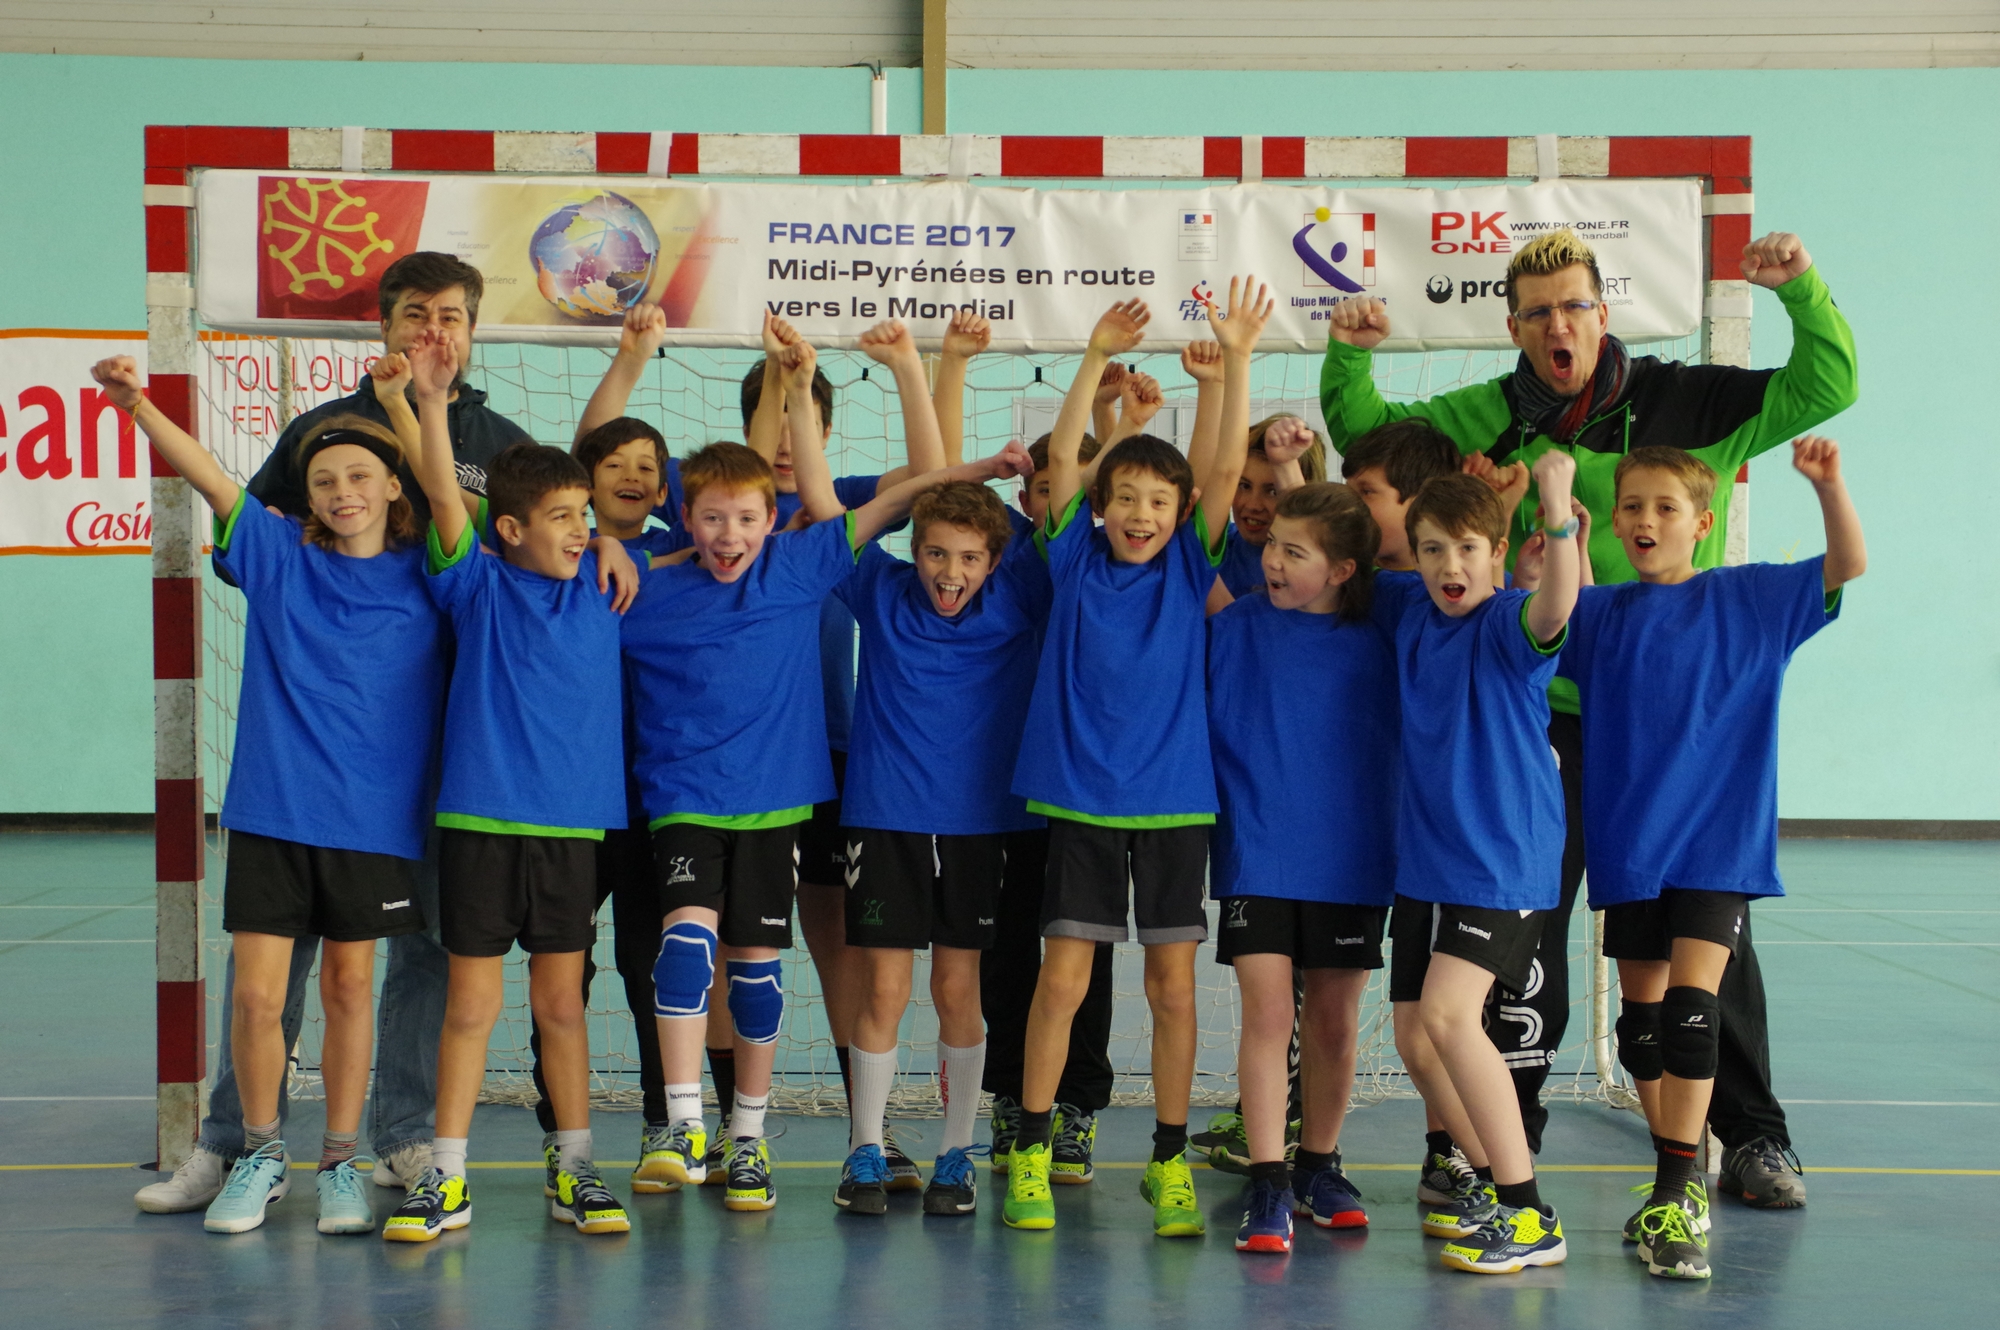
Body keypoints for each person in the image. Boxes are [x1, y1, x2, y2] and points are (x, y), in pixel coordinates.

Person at [1323, 226, 1858, 1200]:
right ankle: (1498, 1142)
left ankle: (1750, 1134)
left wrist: (1800, 288)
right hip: (1543, 715)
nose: (1556, 325)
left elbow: (1824, 387)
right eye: (1536, 313)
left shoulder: (1687, 401)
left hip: (1667, 727)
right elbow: (1369, 438)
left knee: (1708, 932)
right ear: (1513, 327)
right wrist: (1347, 353)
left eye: (1573, 306)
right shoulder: (1485, 414)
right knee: (1520, 925)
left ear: (1602, 313)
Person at [134, 252, 633, 1215]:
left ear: (473, 328)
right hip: (318, 753)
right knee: (269, 971)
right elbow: (253, 530)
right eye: (415, 314)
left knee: (421, 962)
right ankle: (236, 1141)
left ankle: (400, 1140)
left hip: (453, 759)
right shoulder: (322, 434)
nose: (432, 331)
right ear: (386, 326)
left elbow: (553, 513)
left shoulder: (502, 440)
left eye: (450, 315)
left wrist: (604, 534)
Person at [619, 331, 1001, 1214]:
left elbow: (931, 484)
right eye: (780, 422)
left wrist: (921, 369)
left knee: (834, 945)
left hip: (830, 758)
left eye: (808, 423)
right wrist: (779, 386)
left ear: (823, 430)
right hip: (714, 770)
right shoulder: (720, 522)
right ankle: (720, 1126)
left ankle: (869, 1131)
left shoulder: (828, 519)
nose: (791, 443)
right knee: (713, 945)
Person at [96, 354, 448, 1237]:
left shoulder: (429, 572)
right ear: (308, 496)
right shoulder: (279, 554)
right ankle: (258, 1154)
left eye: (360, 475)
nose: (343, 491)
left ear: (392, 485)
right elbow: (211, 476)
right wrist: (138, 405)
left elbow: (452, 496)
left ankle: (341, 1162)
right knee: (257, 999)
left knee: (350, 989)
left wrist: (411, 403)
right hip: (272, 811)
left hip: (374, 823)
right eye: (325, 480)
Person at [1002, 281, 1267, 1238]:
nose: (1140, 513)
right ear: (1100, 505)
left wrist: (1234, 360)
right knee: (1063, 982)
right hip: (1081, 801)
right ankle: (1033, 1147)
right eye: (1125, 499)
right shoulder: (1072, 557)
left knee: (1172, 989)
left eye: (1158, 501)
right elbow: (1062, 463)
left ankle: (1166, 1159)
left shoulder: (1193, 563)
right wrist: (1091, 358)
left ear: (1180, 510)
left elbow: (1225, 466)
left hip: (1172, 808)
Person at [1559, 440, 1860, 1279]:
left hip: (1717, 845)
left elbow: (1846, 565)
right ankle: (1679, 1174)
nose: (1646, 520)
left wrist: (1830, 487)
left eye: (1666, 507)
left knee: (1693, 1010)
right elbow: (1550, 618)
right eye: (1633, 506)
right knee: (1641, 1028)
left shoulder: (1750, 598)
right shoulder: (1602, 612)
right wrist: (1560, 533)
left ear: (1703, 522)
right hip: (1631, 845)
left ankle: (1675, 1197)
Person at [384, 336, 630, 1242]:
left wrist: (608, 534)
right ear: (511, 530)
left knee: (561, 1005)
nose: (580, 527)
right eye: (561, 516)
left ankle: (574, 1168)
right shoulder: (477, 585)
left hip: (572, 831)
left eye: (585, 514)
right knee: (472, 1006)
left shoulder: (603, 587)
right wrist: (429, 401)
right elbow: (446, 495)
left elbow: (601, 462)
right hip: (481, 824)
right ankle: (445, 1177)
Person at [1379, 457, 1580, 1275]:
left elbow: (1557, 605)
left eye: (1467, 547)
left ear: (1498, 553)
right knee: (1415, 1037)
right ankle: (1499, 1186)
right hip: (1427, 864)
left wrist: (1557, 513)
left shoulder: (1506, 625)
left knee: (1451, 1017)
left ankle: (1530, 1214)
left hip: (1502, 860)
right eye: (1432, 549)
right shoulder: (1410, 613)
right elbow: (1341, 555)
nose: (1449, 565)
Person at [832, 459, 1044, 1218]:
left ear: (996, 559)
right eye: (935, 553)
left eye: (970, 557)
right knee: (884, 989)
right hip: (886, 818)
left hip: (980, 826)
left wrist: (992, 485)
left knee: (959, 989)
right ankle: (865, 1145)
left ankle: (957, 1152)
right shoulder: (880, 591)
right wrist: (955, 476)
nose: (950, 573)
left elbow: (1052, 520)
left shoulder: (1019, 594)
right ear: (913, 547)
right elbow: (832, 515)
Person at [1207, 482, 1396, 1254]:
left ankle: (1318, 1163)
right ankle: (1267, 1179)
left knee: (1333, 1021)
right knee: (1268, 1015)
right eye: (1271, 546)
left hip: (1352, 856)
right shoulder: (1235, 625)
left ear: (1344, 569)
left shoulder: (1383, 635)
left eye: (1295, 551)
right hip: (1257, 851)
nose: (1274, 562)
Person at [514, 415, 685, 1194]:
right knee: (561, 977)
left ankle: (665, 1123)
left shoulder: (680, 557)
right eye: (614, 463)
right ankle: (563, 1137)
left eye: (648, 465)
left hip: (651, 802)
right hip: (567, 804)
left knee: (652, 968)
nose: (633, 476)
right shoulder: (547, 558)